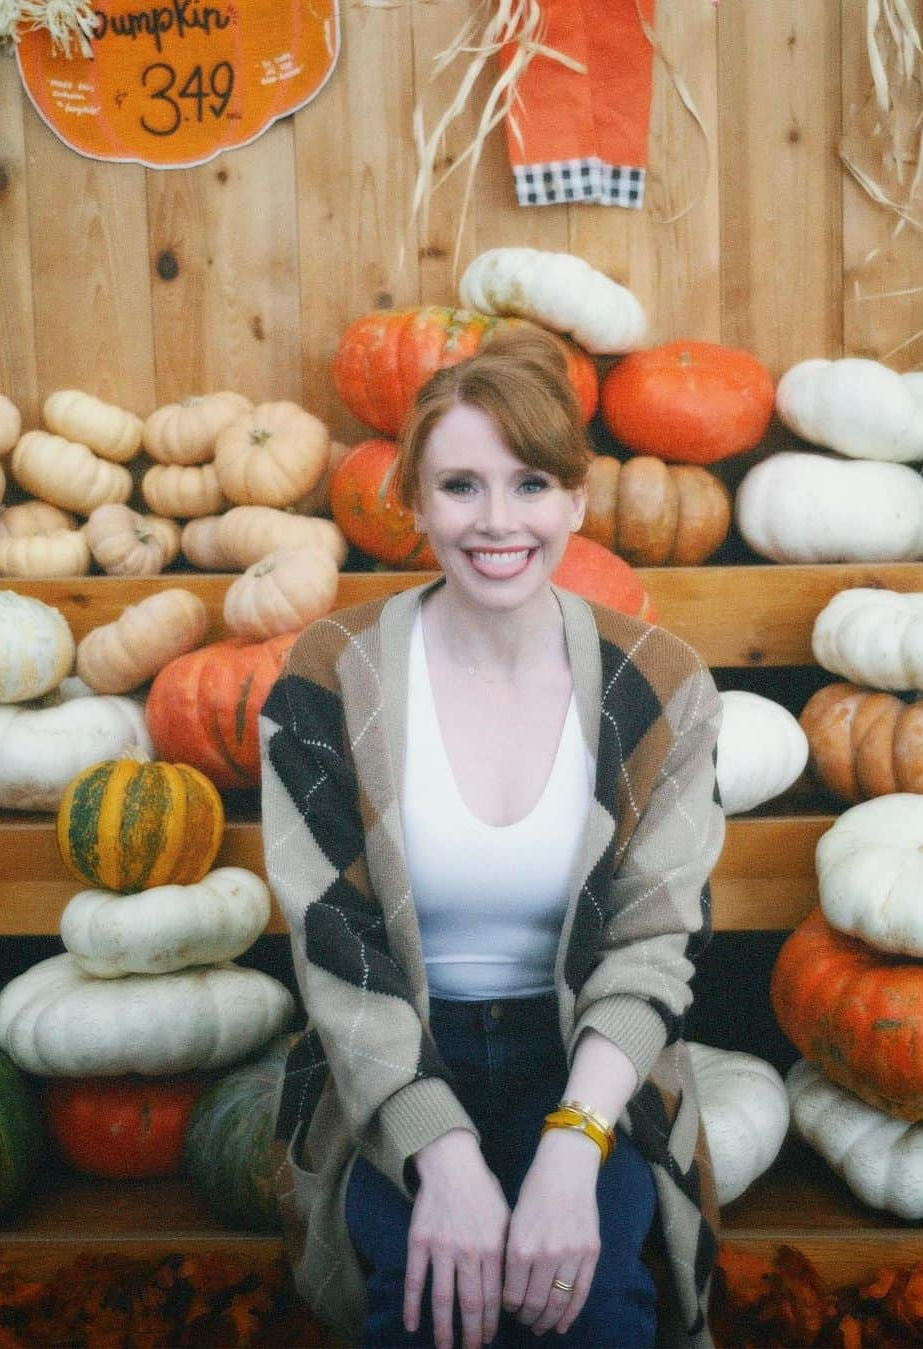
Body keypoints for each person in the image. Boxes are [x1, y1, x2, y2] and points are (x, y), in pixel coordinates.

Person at [259, 326, 725, 1349]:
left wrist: (575, 1141)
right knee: (430, 1307)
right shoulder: (329, 677)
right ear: (414, 504)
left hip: (586, 1061)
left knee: (597, 1308)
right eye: (461, 486)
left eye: (531, 484)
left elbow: (657, 943)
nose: (499, 519)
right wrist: (445, 1152)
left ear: (578, 500)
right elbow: (337, 945)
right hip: (395, 1057)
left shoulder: (661, 685)